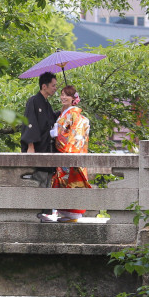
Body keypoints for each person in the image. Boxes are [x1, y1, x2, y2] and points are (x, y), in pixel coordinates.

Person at [43, 85, 91, 223]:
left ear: (73, 99)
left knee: (69, 183)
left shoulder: (73, 113)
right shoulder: (65, 113)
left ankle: (71, 214)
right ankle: (65, 213)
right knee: (61, 182)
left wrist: (55, 134)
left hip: (69, 152)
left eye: (67, 95)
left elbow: (74, 135)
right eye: (62, 94)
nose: (63, 97)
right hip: (62, 153)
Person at [22, 72, 58, 219]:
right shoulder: (34, 101)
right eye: (53, 85)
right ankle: (35, 212)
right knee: (39, 180)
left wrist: (68, 107)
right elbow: (30, 123)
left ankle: (43, 212)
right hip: (37, 148)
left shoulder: (46, 104)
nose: (55, 88)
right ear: (44, 86)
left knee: (47, 181)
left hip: (47, 148)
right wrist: (30, 146)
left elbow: (51, 120)